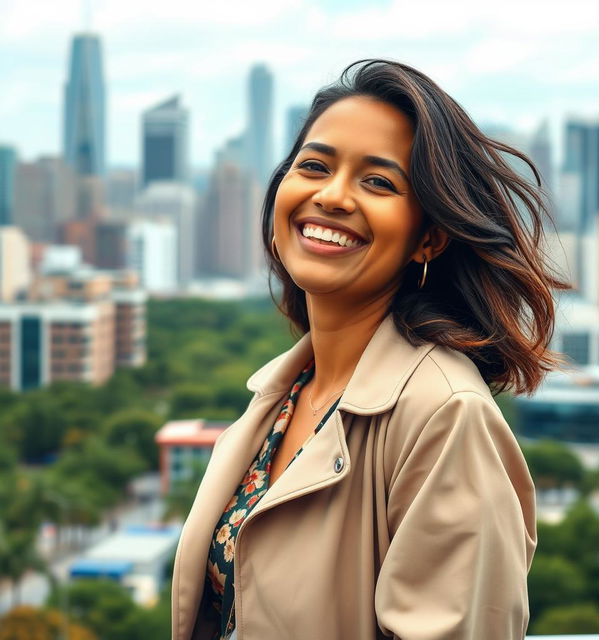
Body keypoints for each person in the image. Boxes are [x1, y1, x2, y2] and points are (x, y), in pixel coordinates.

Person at [171, 58, 572, 640]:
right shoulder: (284, 397)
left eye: (378, 182)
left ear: (428, 237)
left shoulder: (444, 415)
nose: (332, 197)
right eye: (314, 166)